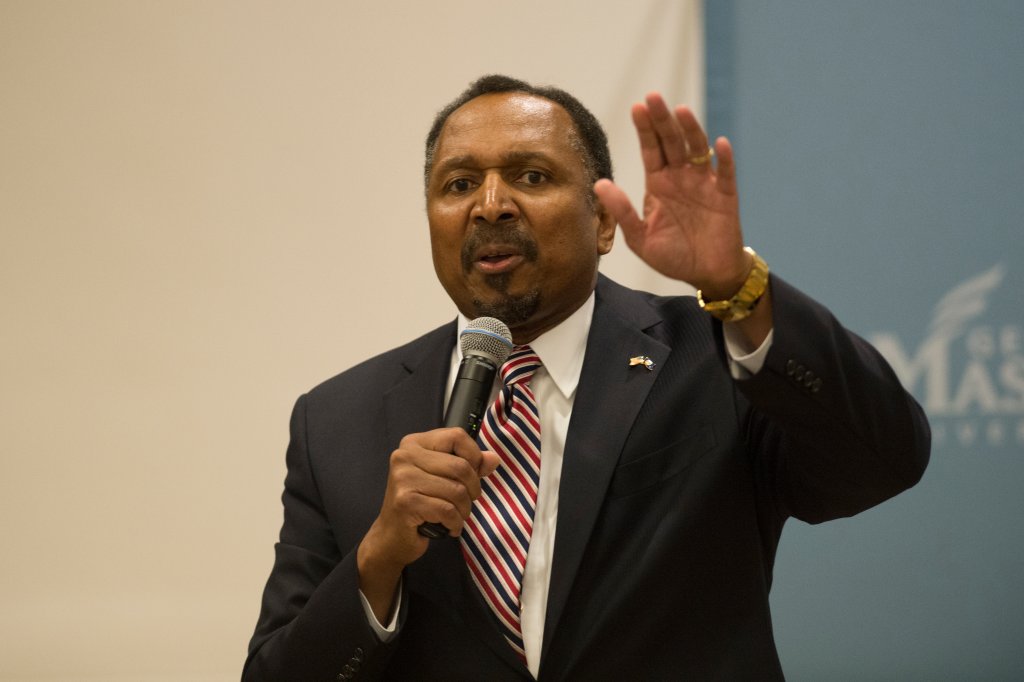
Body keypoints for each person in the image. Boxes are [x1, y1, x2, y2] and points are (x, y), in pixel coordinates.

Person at [243, 74, 930, 681]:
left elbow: (884, 459)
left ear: (603, 222)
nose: (490, 205)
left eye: (531, 176)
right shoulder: (336, 421)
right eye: (459, 184)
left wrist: (737, 287)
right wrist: (378, 560)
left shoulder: (711, 359)